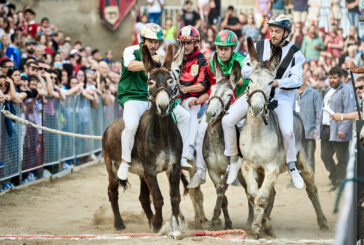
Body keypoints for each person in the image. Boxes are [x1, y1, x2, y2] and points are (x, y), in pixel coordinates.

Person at [117, 23, 192, 181]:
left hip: (152, 97)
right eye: (150, 41)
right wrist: (152, 61)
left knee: (185, 117)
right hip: (132, 97)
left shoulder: (159, 55)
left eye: (156, 42)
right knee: (131, 125)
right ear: (142, 40)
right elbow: (130, 66)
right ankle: (125, 161)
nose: (153, 45)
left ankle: (183, 157)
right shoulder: (130, 50)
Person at [241, 14, 306, 189]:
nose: (273, 34)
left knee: (287, 131)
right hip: (257, 91)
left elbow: (297, 80)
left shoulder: (295, 53)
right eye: (271, 30)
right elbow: (244, 69)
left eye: (277, 31)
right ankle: (235, 160)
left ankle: (292, 166)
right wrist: (256, 71)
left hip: (281, 96)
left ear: (286, 33)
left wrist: (277, 82)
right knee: (231, 119)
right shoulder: (259, 46)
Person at [188, 29, 250, 188]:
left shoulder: (242, 61)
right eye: (220, 48)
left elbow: (252, 80)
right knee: (201, 131)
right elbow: (206, 85)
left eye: (226, 49)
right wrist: (198, 97)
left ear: (233, 48)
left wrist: (236, 80)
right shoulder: (211, 63)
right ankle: (200, 171)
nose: (222, 52)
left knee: (240, 129)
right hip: (217, 102)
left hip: (238, 102)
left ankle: (238, 166)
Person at [318, 67, 356, 190]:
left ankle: (340, 183)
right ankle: (335, 178)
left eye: (335, 78)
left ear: (340, 78)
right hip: (326, 128)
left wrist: (343, 129)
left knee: (341, 159)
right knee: (325, 156)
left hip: (338, 129)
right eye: (330, 78)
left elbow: (349, 110)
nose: (332, 80)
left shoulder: (346, 90)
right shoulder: (328, 90)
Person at [177, 25, 209, 164]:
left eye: (189, 42)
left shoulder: (201, 60)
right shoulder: (175, 58)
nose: (186, 46)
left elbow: (202, 85)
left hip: (191, 97)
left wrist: (185, 89)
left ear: (196, 43)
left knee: (192, 108)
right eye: (183, 42)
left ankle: (189, 148)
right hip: (175, 97)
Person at [294, 72, 322, 171]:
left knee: (309, 158)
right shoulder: (291, 94)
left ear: (306, 78)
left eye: (302, 76)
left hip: (309, 132)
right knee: (295, 157)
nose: (300, 78)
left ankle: (310, 179)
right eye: (298, 76)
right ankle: (296, 179)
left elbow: (319, 113)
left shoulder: (314, 93)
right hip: (295, 133)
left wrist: (316, 131)